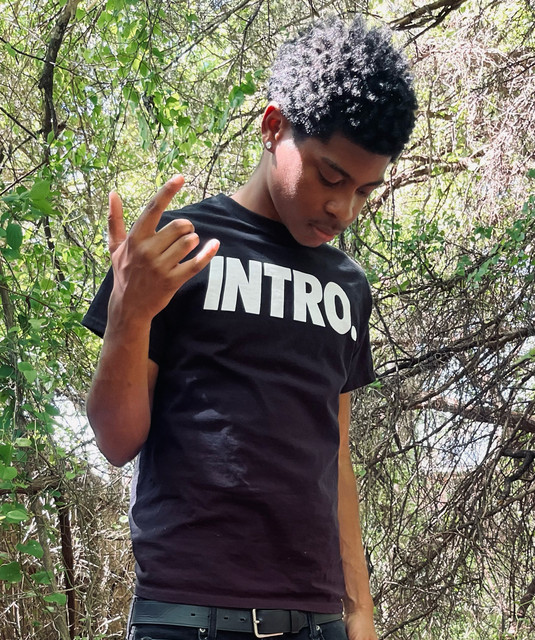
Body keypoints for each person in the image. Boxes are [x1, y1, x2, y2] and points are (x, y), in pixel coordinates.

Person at [82, 14, 417, 640]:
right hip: (187, 614)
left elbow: (336, 455)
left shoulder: (347, 286)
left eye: (365, 191)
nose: (342, 209)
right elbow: (115, 441)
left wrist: (359, 611)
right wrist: (130, 314)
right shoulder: (173, 252)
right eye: (330, 176)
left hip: (318, 620)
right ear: (272, 126)